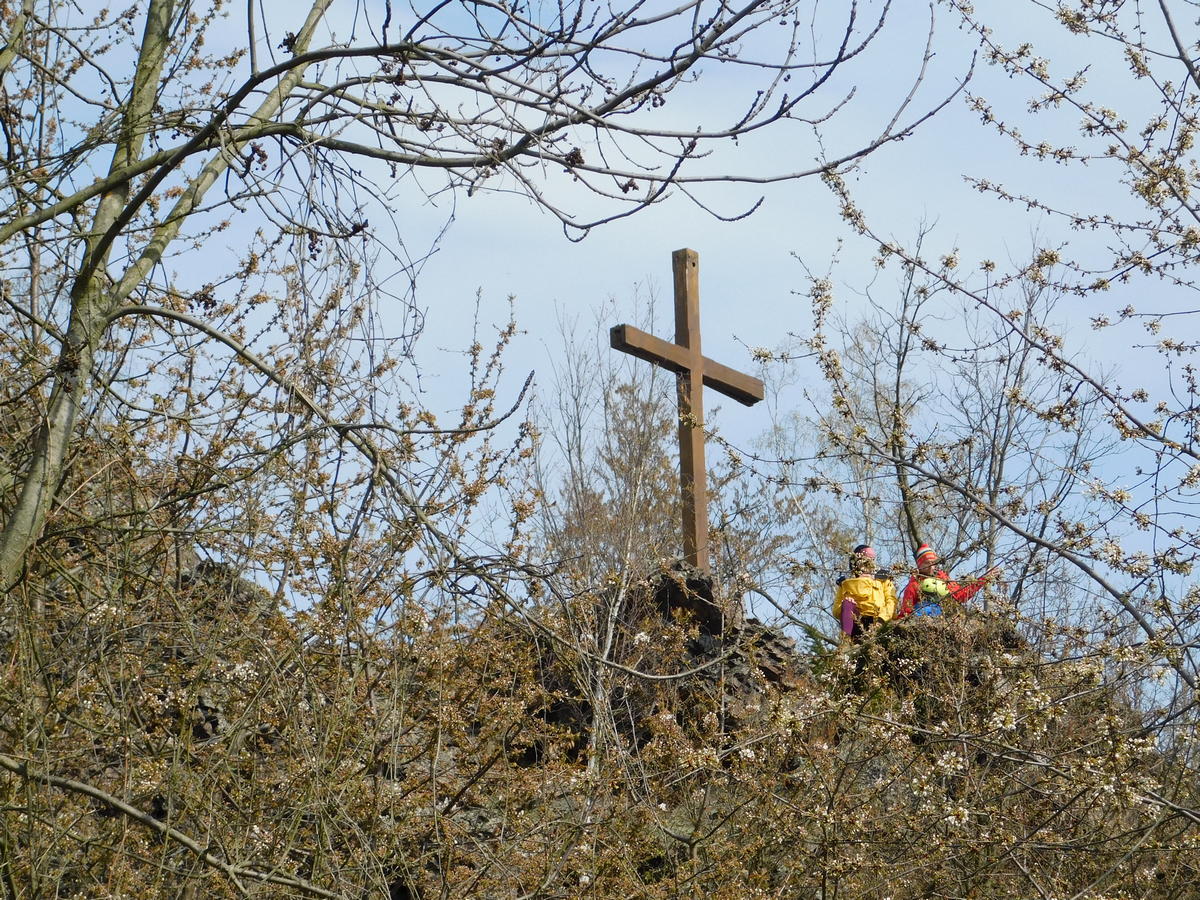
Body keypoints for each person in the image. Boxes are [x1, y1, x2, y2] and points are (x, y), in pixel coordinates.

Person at [896, 543, 999, 619]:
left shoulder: (943, 579)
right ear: (919, 565)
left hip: (942, 619)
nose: (931, 567)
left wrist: (983, 579)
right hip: (921, 620)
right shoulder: (914, 584)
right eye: (927, 563)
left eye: (933, 563)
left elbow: (961, 595)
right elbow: (906, 611)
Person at [832, 544, 897, 640]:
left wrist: (881, 620)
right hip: (856, 622)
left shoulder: (882, 580)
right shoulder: (845, 584)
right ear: (857, 561)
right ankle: (846, 643)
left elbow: (891, 601)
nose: (870, 563)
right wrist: (844, 605)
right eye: (867, 559)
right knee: (847, 603)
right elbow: (836, 611)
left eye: (872, 559)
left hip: (877, 621)